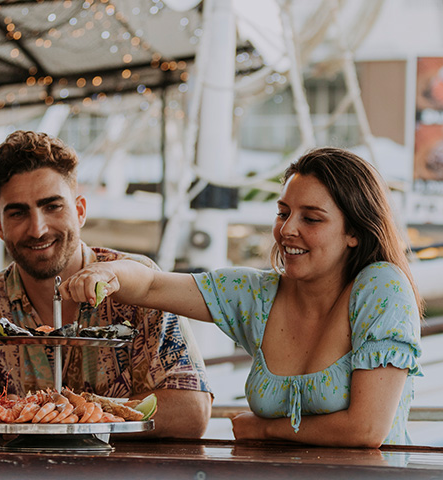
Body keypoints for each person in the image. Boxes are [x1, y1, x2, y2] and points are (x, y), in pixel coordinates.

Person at [61, 147, 423, 448]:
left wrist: (265, 429)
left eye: (311, 219)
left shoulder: (381, 286)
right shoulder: (257, 296)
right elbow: (152, 286)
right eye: (283, 213)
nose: (287, 229)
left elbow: (366, 429)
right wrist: (108, 271)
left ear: (354, 233)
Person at [0, 130, 212, 441]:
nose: (38, 229)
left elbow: (191, 410)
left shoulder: (136, 282)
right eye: (18, 213)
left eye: (52, 206)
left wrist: (73, 413)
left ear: (80, 210)